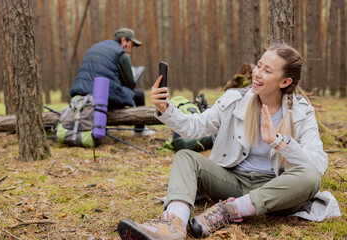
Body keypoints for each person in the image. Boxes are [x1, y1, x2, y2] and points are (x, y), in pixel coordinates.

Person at [117, 44, 340, 240]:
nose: (257, 73)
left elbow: (317, 165)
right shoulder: (235, 100)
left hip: (277, 189)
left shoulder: (301, 111)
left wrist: (279, 142)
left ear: (285, 81)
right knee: (185, 157)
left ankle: (231, 210)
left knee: (310, 178)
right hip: (232, 181)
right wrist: (166, 110)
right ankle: (173, 224)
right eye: (259, 65)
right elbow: (195, 127)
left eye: (267, 70)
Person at [69, 27, 154, 136]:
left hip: (81, 95)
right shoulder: (122, 54)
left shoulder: (96, 46)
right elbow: (130, 84)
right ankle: (140, 130)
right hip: (101, 97)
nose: (131, 49)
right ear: (124, 40)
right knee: (139, 94)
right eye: (131, 45)